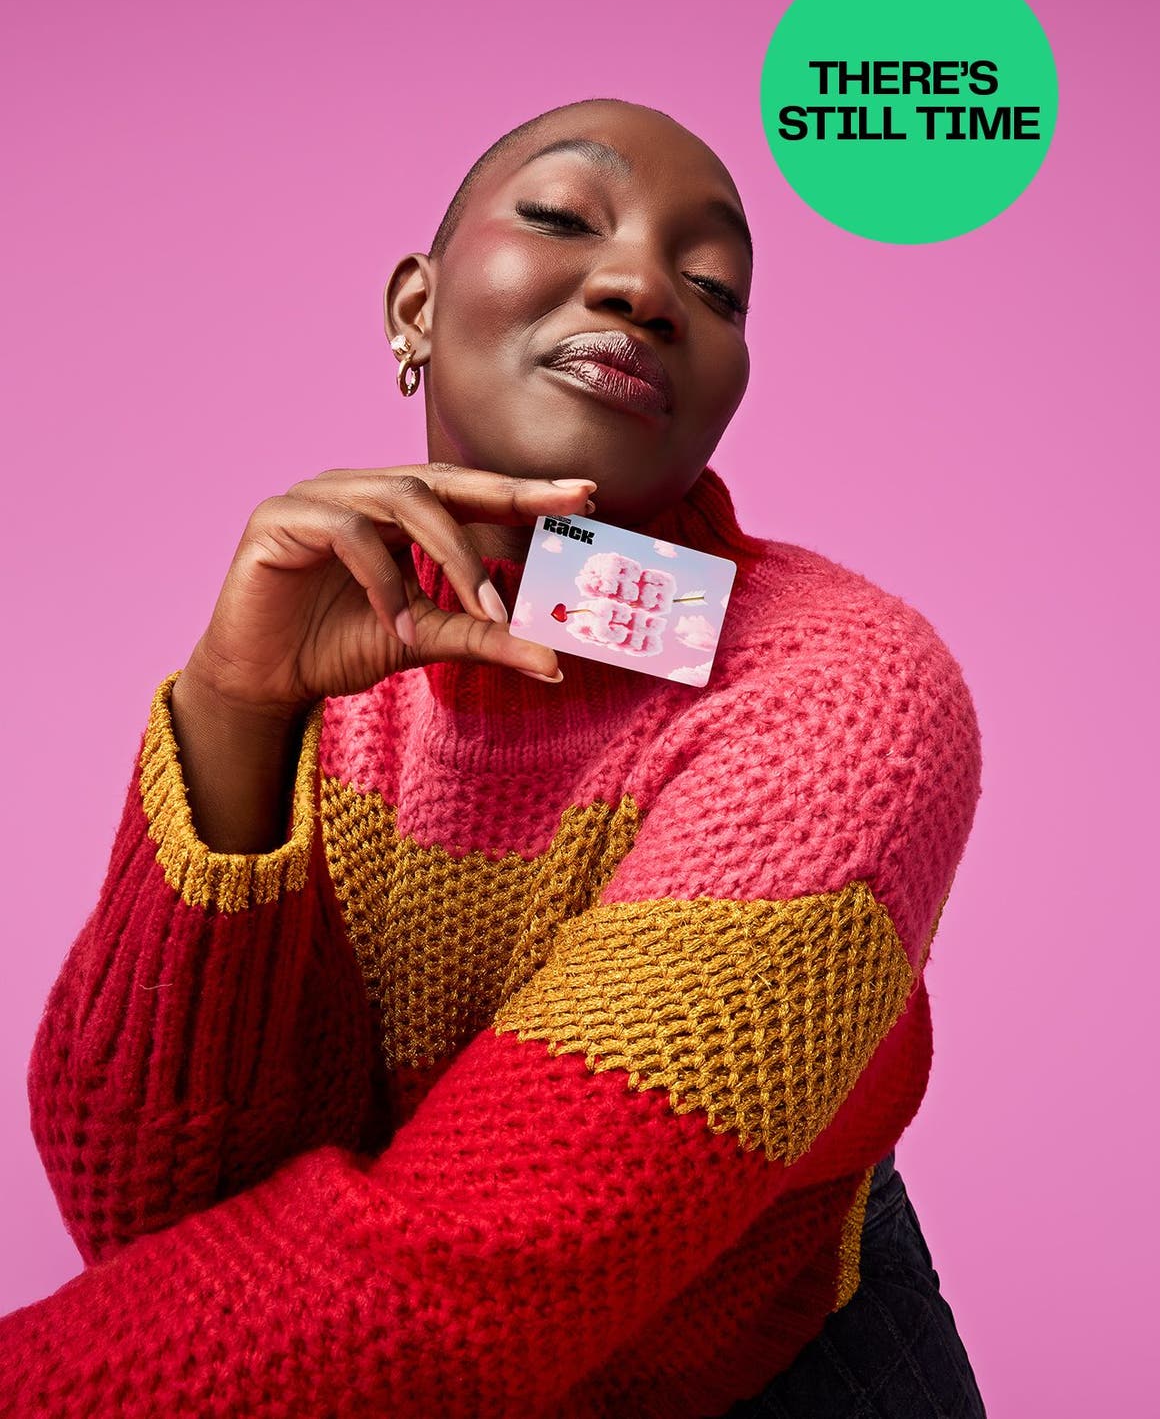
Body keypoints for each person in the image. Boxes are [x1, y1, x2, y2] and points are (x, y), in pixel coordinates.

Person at [1, 96, 987, 1417]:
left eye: (714, 286)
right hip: (342, 1355)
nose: (644, 285)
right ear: (415, 307)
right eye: (563, 216)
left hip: (755, 1374)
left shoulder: (845, 689)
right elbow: (156, 1210)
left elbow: (467, 1280)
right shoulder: (317, 624)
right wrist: (232, 706)